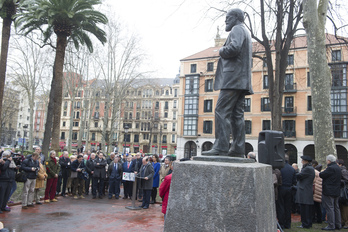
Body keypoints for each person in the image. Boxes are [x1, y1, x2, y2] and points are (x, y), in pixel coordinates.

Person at [202, 8, 253, 157]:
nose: (226, 20)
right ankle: (237, 149)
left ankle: (221, 146)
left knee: (221, 111)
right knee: (237, 115)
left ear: (237, 18)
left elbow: (234, 48)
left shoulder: (237, 29)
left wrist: (221, 50)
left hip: (233, 80)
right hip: (241, 80)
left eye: (228, 17)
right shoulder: (245, 31)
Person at [320, 154, 342, 230]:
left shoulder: (330, 168)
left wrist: (325, 169)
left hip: (329, 190)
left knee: (330, 208)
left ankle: (331, 225)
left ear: (329, 161)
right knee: (336, 208)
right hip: (336, 190)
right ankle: (338, 224)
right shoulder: (338, 168)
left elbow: (321, 175)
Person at [296, 155, 315, 229]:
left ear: (306, 161)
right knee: (306, 208)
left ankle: (305, 224)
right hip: (306, 190)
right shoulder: (309, 168)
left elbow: (299, 176)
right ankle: (307, 223)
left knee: (305, 209)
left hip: (305, 190)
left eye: (302, 160)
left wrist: (295, 172)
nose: (301, 162)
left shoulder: (307, 169)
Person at [277, 154, 296, 229]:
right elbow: (294, 180)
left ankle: (281, 224)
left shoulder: (280, 168)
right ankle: (288, 224)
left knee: (281, 206)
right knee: (288, 207)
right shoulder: (292, 169)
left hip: (281, 188)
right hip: (289, 189)